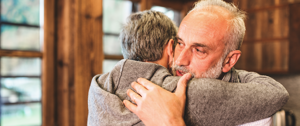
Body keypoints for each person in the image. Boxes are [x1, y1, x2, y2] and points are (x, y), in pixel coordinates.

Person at [88, 4, 288, 126]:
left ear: (229, 61)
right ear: (170, 46)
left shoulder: (253, 113)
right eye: (179, 44)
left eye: (199, 50)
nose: (180, 60)